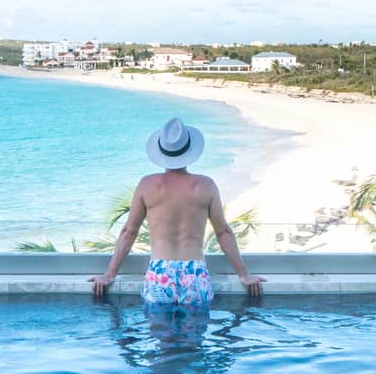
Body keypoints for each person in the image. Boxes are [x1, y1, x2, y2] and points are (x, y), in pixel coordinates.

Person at [88, 117, 265, 307]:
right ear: (189, 151)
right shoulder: (205, 185)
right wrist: (244, 275)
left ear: (161, 152)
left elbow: (129, 232)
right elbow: (223, 233)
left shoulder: (147, 185)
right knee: (194, 333)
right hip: (195, 273)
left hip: (160, 272)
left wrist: (110, 274)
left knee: (161, 332)